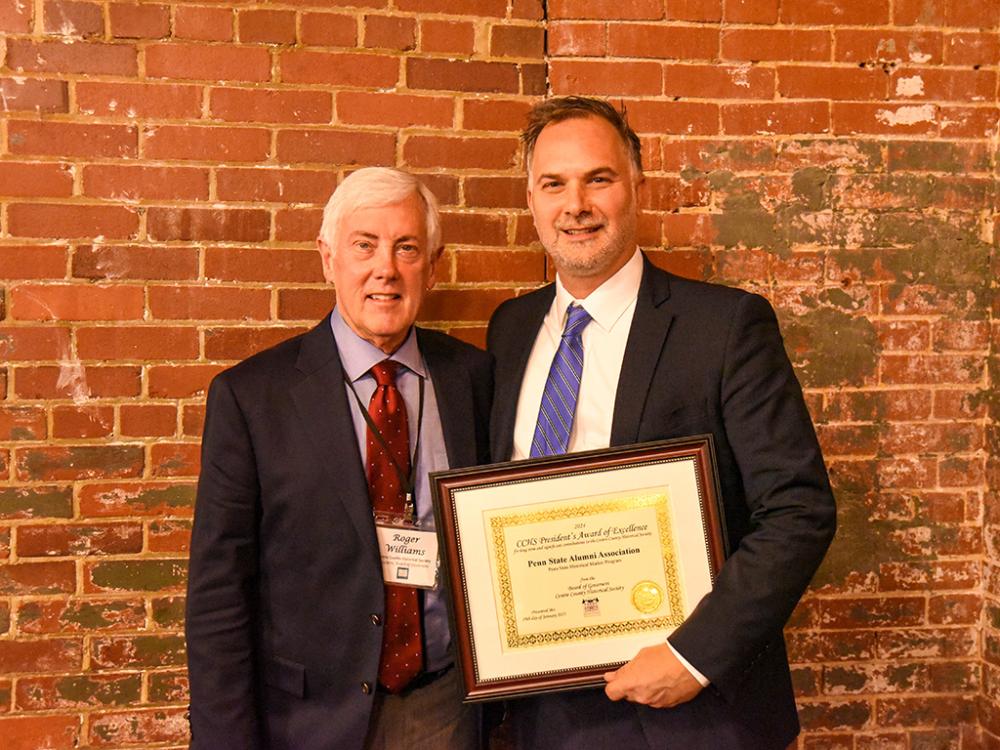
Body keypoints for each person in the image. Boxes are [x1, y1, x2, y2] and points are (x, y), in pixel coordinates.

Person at [486, 96, 836, 749]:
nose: (576, 204)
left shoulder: (726, 327)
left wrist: (692, 656)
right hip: (548, 713)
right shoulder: (509, 330)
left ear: (637, 188)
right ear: (531, 199)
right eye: (553, 183)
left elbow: (798, 509)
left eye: (599, 178)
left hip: (694, 716)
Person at [186, 167, 493, 750]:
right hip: (308, 720)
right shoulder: (252, 397)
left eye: (407, 247)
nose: (386, 268)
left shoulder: (474, 379)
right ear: (328, 257)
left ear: (434, 261)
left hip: (446, 712)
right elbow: (219, 592)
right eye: (364, 246)